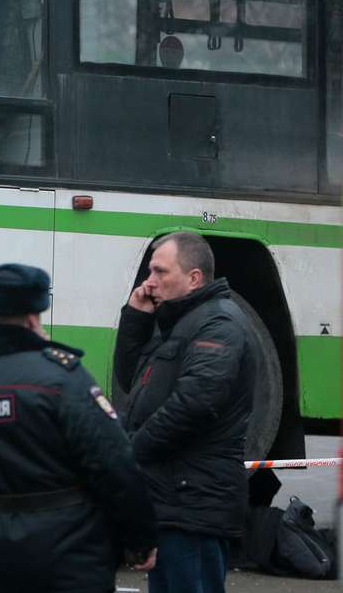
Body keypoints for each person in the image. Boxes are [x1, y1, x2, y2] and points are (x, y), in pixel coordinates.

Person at [0, 263, 158, 592]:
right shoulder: (61, 378)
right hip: (68, 553)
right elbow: (115, 464)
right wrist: (141, 538)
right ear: (33, 316)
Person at [114, 232, 254, 593]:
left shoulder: (218, 323)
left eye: (160, 272)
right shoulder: (178, 321)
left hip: (193, 504)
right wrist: (136, 319)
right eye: (150, 272)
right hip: (174, 499)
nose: (150, 282)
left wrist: (131, 452)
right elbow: (138, 383)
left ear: (193, 278)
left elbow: (194, 403)